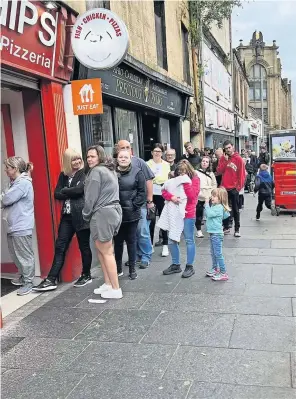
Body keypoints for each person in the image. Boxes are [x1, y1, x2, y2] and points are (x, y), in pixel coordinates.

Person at [33, 149, 92, 292]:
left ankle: (86, 274)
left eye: (79, 159)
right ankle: (51, 279)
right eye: (74, 160)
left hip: (81, 215)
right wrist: (68, 190)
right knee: (60, 246)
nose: (78, 162)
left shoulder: (84, 173)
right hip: (67, 216)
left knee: (83, 246)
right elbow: (56, 194)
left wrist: (66, 190)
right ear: (67, 161)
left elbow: (79, 190)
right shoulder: (63, 175)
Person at [82, 145, 123, 299]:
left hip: (102, 213)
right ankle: (108, 284)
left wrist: (85, 214)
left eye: (92, 156)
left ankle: (115, 288)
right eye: (88, 157)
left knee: (106, 252)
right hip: (112, 211)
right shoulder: (109, 169)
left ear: (99, 156)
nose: (89, 159)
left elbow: (90, 198)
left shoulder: (96, 172)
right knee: (104, 250)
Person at [117, 140, 154, 269]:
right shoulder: (115, 164)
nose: (126, 149)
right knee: (131, 234)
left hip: (139, 204)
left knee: (142, 230)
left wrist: (149, 200)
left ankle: (146, 256)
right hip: (122, 207)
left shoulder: (139, 162)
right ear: (118, 150)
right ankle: (135, 256)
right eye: (123, 147)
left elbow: (149, 181)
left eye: (128, 147)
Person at [1, 157, 35, 295]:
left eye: (8, 168)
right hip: (13, 225)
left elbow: (6, 198)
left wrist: (4, 197)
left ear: (15, 169)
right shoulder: (14, 183)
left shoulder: (22, 183)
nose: (5, 170)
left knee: (24, 255)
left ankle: (28, 282)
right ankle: (23, 277)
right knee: (16, 254)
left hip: (20, 225)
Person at [161, 160, 200, 278]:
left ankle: (189, 266)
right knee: (172, 239)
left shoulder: (194, 179)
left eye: (184, 172)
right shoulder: (174, 181)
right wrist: (171, 197)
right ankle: (175, 264)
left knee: (189, 239)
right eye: (180, 172)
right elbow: (164, 191)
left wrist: (186, 183)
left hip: (188, 213)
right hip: (175, 212)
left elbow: (193, 196)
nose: (182, 174)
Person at [114, 150, 146, 280]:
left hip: (131, 214)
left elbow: (142, 192)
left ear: (130, 158)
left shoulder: (138, 172)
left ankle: (132, 268)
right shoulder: (112, 172)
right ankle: (118, 268)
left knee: (131, 241)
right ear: (117, 159)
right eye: (120, 157)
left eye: (125, 157)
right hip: (115, 213)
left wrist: (134, 206)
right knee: (117, 242)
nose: (122, 159)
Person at [216, 140, 246, 237]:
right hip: (224, 187)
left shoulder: (238, 159)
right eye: (226, 148)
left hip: (234, 188)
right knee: (224, 208)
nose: (228, 150)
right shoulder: (223, 158)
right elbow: (219, 171)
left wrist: (238, 188)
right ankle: (226, 227)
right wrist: (224, 160)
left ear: (232, 147)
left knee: (235, 209)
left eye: (229, 147)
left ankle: (237, 229)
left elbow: (241, 175)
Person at [146, 143, 170, 257]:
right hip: (151, 194)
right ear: (152, 152)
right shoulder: (147, 164)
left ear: (162, 153)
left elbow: (166, 179)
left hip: (162, 193)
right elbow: (148, 178)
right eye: (155, 151)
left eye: (159, 151)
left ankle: (165, 244)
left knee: (163, 218)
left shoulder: (166, 164)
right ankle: (149, 244)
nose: (157, 153)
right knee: (151, 220)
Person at [205, 188, 230, 281]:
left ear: (221, 198)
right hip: (213, 233)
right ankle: (215, 268)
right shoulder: (216, 206)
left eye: (214, 196)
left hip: (216, 234)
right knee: (213, 253)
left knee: (218, 254)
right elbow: (226, 215)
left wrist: (206, 204)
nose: (212, 197)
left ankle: (223, 273)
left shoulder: (218, 207)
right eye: (212, 195)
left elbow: (208, 214)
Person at [156, 147, 177, 247]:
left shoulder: (177, 167)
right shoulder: (161, 166)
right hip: (162, 194)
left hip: (174, 195)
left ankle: (173, 235)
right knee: (163, 215)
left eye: (172, 155)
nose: (170, 156)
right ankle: (162, 237)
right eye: (168, 155)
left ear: (175, 156)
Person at [195, 156, 217, 238]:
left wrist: (212, 194)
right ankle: (198, 230)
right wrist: (200, 194)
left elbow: (214, 184)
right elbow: (195, 185)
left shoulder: (211, 174)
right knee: (199, 214)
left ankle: (211, 229)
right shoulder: (196, 173)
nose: (204, 163)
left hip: (210, 196)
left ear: (209, 164)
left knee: (210, 214)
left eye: (206, 162)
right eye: (203, 161)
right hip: (200, 196)